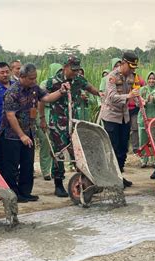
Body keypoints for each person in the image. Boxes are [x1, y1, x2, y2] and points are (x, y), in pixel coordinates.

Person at [0, 63, 69, 202]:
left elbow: (47, 98)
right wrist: (21, 135)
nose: (34, 81)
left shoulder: (34, 88)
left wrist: (61, 91)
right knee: (12, 166)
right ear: (22, 77)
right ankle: (13, 194)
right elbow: (10, 116)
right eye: (31, 78)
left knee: (27, 164)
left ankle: (26, 193)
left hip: (29, 132)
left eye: (35, 78)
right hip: (12, 135)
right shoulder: (12, 92)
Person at [43, 56, 101, 197]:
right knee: (59, 153)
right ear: (65, 67)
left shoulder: (78, 80)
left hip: (72, 121)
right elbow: (41, 98)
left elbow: (89, 87)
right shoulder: (52, 82)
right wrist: (41, 118)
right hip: (57, 123)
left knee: (77, 150)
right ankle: (58, 184)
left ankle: (83, 180)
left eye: (77, 70)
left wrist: (99, 93)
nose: (75, 72)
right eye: (73, 70)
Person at [101, 51, 140, 187]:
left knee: (123, 148)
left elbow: (133, 93)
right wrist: (128, 96)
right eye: (130, 67)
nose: (132, 70)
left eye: (134, 68)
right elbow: (111, 97)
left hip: (125, 117)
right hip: (111, 116)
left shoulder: (131, 76)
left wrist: (139, 99)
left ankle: (119, 176)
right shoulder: (112, 77)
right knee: (114, 147)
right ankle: (112, 178)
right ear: (123, 63)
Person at [37, 63, 63, 181]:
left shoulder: (64, 84)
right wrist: (42, 119)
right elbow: (41, 101)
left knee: (58, 144)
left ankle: (56, 169)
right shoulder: (45, 84)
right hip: (46, 113)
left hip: (58, 115)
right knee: (46, 144)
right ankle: (46, 170)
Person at [138, 71, 155, 168]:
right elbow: (137, 103)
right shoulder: (142, 90)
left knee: (154, 139)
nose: (151, 80)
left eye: (153, 79)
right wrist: (143, 102)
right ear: (147, 79)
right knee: (143, 139)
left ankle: (154, 160)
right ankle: (143, 160)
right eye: (150, 78)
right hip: (143, 118)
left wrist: (154, 100)